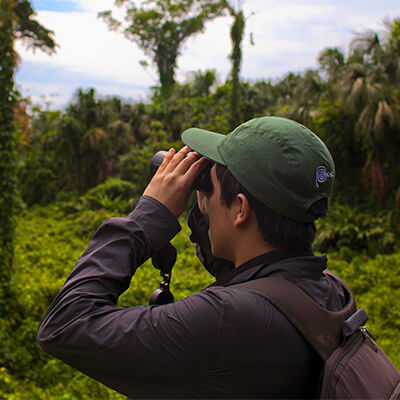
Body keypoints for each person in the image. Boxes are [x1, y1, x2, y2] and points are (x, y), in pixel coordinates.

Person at [38, 116, 344, 399]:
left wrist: (148, 218)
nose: (203, 202)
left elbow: (65, 323)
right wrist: (205, 214)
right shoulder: (329, 290)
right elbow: (243, 279)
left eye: (208, 191)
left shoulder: (225, 321)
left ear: (241, 209)